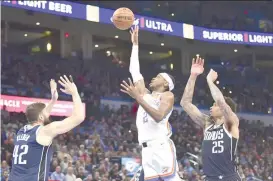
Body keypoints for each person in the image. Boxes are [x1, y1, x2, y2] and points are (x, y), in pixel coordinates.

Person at [120, 26, 180, 181]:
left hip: (161, 147)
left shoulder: (167, 95)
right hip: (146, 150)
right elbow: (135, 71)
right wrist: (135, 45)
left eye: (158, 76)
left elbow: (159, 116)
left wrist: (138, 98)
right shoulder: (145, 94)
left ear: (165, 83)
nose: (153, 78)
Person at [9, 76, 85, 181]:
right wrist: (75, 92)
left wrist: (53, 100)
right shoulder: (44, 131)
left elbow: (42, 115)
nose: (48, 114)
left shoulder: (21, 132)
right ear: (40, 117)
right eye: (45, 112)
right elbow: (79, 117)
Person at [180, 57, 241, 181]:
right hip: (209, 178)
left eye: (214, 105)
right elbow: (185, 103)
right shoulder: (207, 123)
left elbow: (221, 102)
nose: (211, 107)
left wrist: (209, 81)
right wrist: (193, 76)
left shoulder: (231, 122)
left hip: (228, 177)